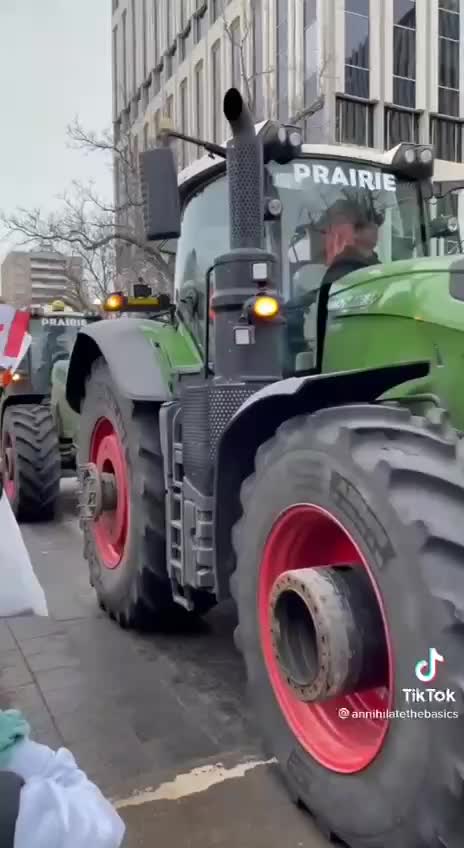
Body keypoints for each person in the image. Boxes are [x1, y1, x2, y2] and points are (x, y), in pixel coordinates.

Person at [315, 204, 382, 371]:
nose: (375, 230)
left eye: (377, 225)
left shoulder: (378, 267)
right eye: (369, 226)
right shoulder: (342, 270)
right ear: (356, 233)